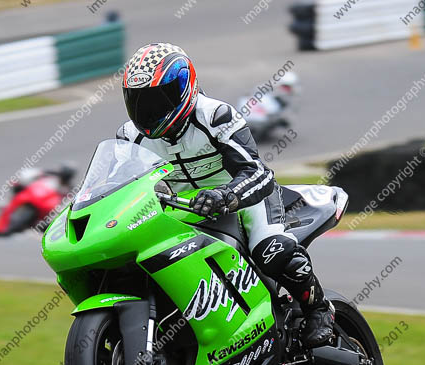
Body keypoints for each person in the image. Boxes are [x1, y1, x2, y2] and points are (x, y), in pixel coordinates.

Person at [116, 43, 334, 347]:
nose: (147, 112)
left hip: (244, 200)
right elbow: (117, 184)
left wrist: (225, 196)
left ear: (183, 88)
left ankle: (318, 310)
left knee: (271, 251)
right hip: (184, 209)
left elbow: (258, 173)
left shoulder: (215, 116)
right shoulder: (129, 136)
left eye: (156, 100)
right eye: (138, 101)